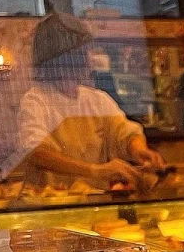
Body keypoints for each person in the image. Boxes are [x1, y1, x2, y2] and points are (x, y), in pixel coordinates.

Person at [16, 13, 164, 188]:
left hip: (93, 206)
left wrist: (139, 150)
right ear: (70, 57)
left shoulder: (97, 100)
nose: (91, 57)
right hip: (51, 208)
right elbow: (36, 152)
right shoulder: (36, 101)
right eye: (86, 51)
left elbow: (125, 133)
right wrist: (95, 170)